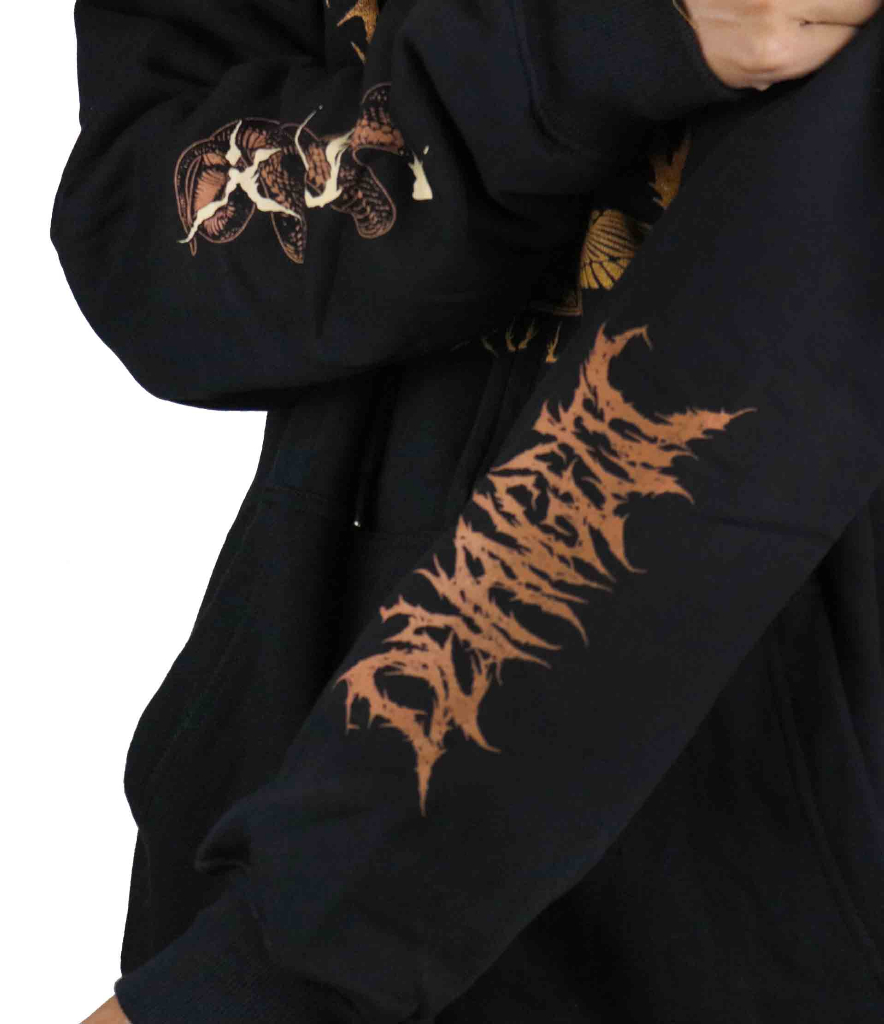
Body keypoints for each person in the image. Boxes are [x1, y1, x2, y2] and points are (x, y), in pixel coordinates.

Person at [50, 2, 884, 1022]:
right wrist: (584, 45)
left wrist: (283, 965)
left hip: (747, 916)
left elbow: (739, 412)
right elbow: (147, 245)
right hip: (258, 841)